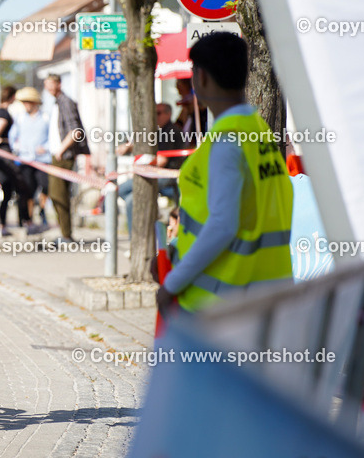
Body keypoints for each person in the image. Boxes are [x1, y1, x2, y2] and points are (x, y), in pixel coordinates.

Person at [157, 32, 293, 314]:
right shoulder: (258, 132)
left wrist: (172, 284)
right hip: (265, 294)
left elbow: (223, 225)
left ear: (202, 77)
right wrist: (177, 252)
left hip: (220, 305)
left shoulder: (226, 142)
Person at [116, 102, 184, 238]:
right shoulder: (159, 131)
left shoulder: (170, 131)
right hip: (155, 175)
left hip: (166, 178)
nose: (156, 117)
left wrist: (144, 164)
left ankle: (136, 238)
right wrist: (130, 148)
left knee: (129, 197)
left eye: (158, 113)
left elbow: (162, 161)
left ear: (168, 114)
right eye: (154, 113)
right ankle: (146, 222)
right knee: (126, 195)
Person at [43, 74, 90, 243]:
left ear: (58, 84)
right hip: (57, 154)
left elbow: (75, 131)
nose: (47, 88)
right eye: (45, 84)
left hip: (63, 156)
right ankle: (64, 232)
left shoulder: (65, 102)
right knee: (56, 195)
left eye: (50, 84)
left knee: (59, 195)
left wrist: (61, 150)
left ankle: (66, 234)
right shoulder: (57, 103)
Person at [0, 86, 32, 237]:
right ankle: (24, 221)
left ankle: (3, 225)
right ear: (12, 97)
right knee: (20, 187)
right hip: (3, 157)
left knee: (7, 191)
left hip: (2, 156)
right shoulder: (3, 114)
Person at [8, 87, 52, 235]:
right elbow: (12, 137)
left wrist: (45, 148)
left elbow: (52, 137)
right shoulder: (20, 118)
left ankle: (43, 211)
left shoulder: (46, 118)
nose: (26, 105)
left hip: (42, 160)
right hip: (25, 160)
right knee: (27, 190)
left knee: (45, 186)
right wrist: (17, 147)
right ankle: (29, 220)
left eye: (28, 102)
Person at [175, 77, 207, 146]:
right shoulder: (186, 107)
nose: (177, 87)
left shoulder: (196, 103)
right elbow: (178, 126)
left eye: (179, 84)